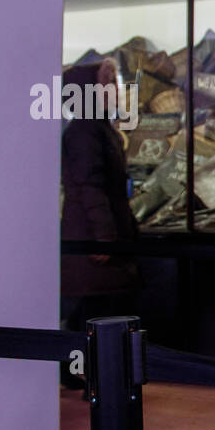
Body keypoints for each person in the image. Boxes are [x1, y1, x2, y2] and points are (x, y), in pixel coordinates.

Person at [60, 57, 142, 387]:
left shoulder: (95, 127)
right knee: (95, 307)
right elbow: (88, 185)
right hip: (93, 235)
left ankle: (81, 371)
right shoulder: (85, 131)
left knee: (91, 306)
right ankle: (94, 374)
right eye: (108, 84)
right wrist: (104, 236)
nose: (115, 90)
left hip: (99, 231)